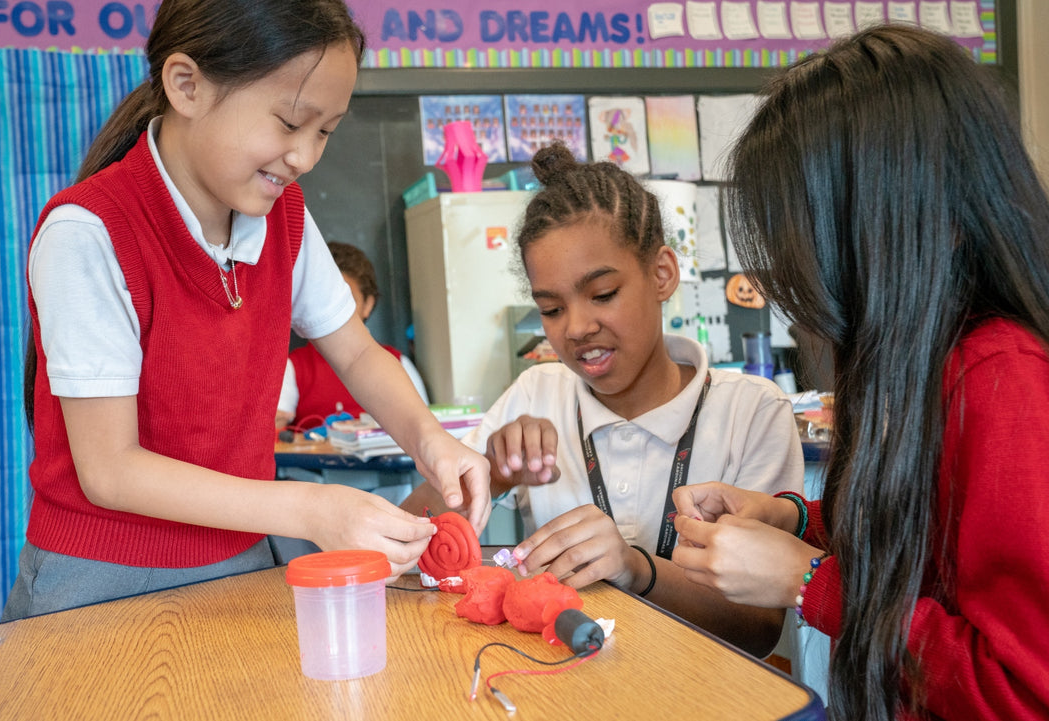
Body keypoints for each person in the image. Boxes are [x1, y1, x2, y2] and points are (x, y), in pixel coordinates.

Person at [5, 0, 490, 622]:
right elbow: (109, 470)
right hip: (102, 576)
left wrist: (431, 442)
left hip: (239, 559)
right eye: (290, 122)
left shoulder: (283, 215)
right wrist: (311, 510)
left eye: (325, 132)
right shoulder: (89, 231)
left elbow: (357, 350)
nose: (306, 158)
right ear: (187, 85)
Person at [671, 25, 1049, 721]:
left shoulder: (1003, 381)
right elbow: (922, 539)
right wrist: (790, 518)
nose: (795, 277)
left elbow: (1023, 689)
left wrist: (805, 577)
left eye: (808, 237)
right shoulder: (924, 362)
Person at [404, 142, 804, 657]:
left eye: (603, 294)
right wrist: (491, 473)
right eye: (550, 308)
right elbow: (408, 541)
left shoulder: (751, 411)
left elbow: (760, 627)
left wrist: (635, 567)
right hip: (566, 689)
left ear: (661, 274)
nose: (575, 328)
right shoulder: (535, 393)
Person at [277, 241, 428, 430]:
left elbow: (423, 427)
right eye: (324, 301)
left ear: (368, 304)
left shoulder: (398, 363)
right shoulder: (293, 367)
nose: (335, 312)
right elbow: (277, 428)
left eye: (347, 300)